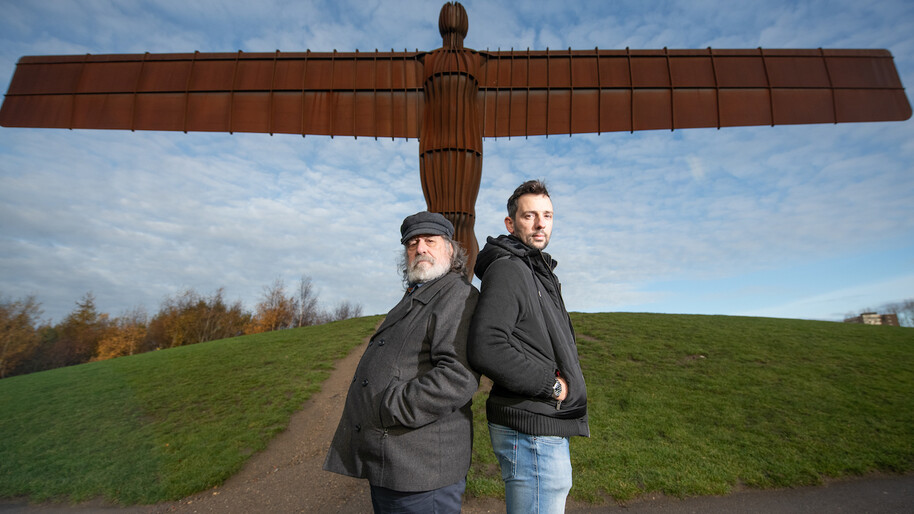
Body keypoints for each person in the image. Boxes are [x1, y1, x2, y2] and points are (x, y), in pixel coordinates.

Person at [323, 211, 479, 514]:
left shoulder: (458, 296)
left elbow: (458, 376)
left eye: (430, 241)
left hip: (422, 471)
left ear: (450, 249)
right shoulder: (417, 294)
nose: (420, 248)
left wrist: (389, 406)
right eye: (412, 243)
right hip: (395, 462)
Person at [468, 179, 590, 513]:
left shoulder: (535, 270)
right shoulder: (509, 269)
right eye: (529, 216)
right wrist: (551, 387)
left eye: (547, 215)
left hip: (539, 426)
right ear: (511, 223)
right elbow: (486, 345)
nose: (540, 224)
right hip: (531, 429)